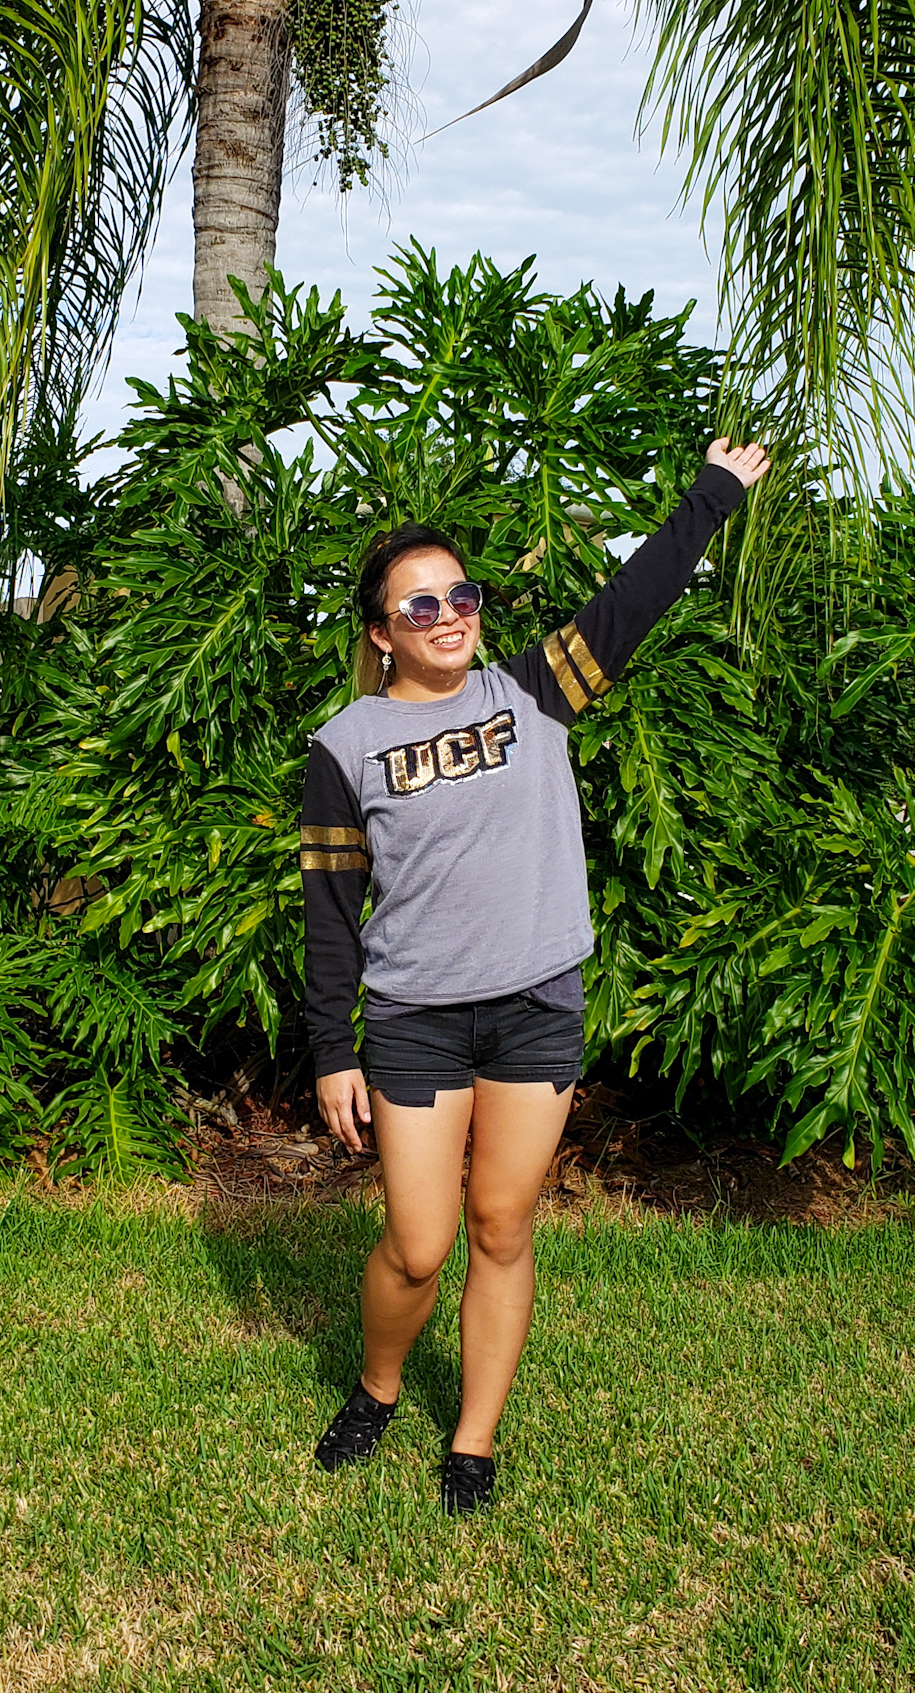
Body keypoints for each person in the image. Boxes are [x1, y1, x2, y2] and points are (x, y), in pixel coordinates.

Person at [300, 438, 770, 1513]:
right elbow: (329, 917)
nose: (448, 614)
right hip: (416, 1017)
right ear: (380, 634)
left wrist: (714, 495)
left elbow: (637, 594)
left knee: (503, 1225)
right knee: (419, 1245)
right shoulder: (346, 744)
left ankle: (472, 1437)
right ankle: (378, 1387)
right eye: (419, 606)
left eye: (458, 593)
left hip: (535, 1007)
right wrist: (334, 1049)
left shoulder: (535, 690)